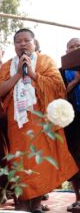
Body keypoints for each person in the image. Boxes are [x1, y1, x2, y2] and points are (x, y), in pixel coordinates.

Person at [0, 28, 78, 213]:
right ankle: (22, 202)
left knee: (40, 162)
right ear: (14, 45)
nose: (22, 44)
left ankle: (37, 203)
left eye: (26, 40)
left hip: (40, 121)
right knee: (19, 162)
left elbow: (58, 87)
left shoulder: (45, 61)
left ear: (34, 43)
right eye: (18, 41)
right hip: (17, 123)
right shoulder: (8, 66)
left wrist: (33, 74)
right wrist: (18, 74)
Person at [60, 38, 80, 212]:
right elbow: (58, 96)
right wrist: (74, 82)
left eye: (77, 46)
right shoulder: (61, 71)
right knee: (74, 158)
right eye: (71, 47)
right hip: (71, 121)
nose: (74, 49)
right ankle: (77, 198)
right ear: (66, 52)